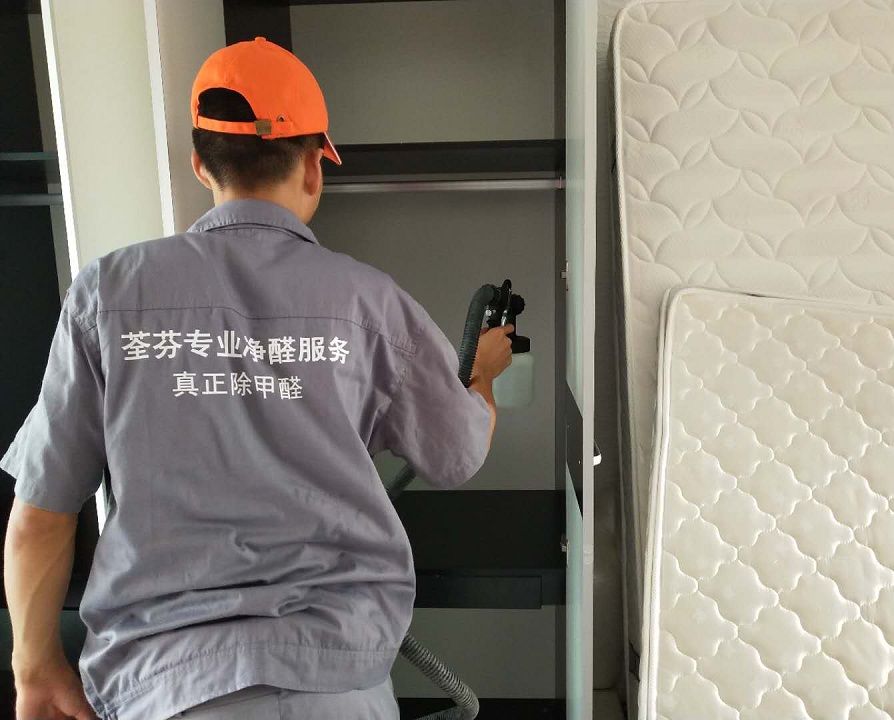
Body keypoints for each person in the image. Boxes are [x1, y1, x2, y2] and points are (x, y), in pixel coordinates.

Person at [3, 37, 513, 720]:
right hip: (338, 684)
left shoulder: (107, 294)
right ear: (314, 165)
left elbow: (40, 516)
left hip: (165, 688)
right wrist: (483, 380)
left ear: (200, 164)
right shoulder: (368, 301)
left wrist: (35, 667)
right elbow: (458, 454)